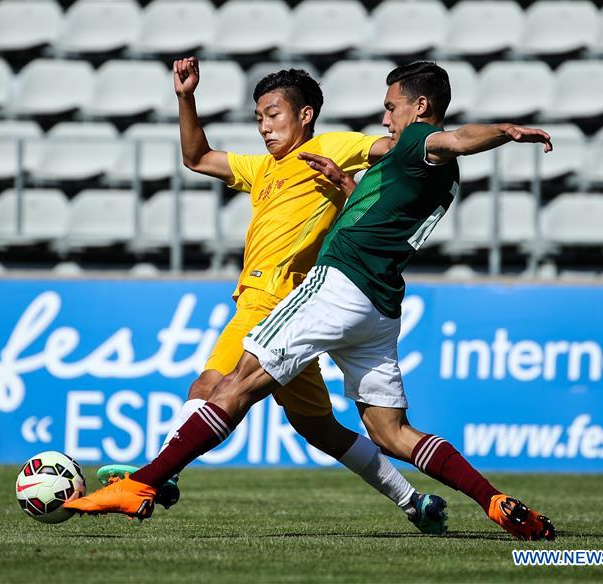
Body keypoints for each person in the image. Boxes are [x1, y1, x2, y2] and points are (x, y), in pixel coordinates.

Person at [66, 61, 557, 542]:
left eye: (392, 106)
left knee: (233, 385)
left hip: (329, 287)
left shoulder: (408, 140)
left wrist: (505, 132)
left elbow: (448, 140)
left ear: (420, 105)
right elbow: (385, 203)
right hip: (379, 305)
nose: (387, 118)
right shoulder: (430, 178)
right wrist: (348, 189)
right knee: (388, 432)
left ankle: (144, 482)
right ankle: (490, 500)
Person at [98, 56, 448, 534]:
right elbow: (197, 157)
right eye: (259, 117)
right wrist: (185, 97)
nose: (264, 126)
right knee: (318, 428)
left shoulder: (332, 145)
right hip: (286, 313)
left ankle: (156, 478)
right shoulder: (262, 168)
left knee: (209, 388)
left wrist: (362, 183)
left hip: (279, 302)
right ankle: (413, 501)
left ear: (305, 115)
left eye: (273, 114)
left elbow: (393, 148)